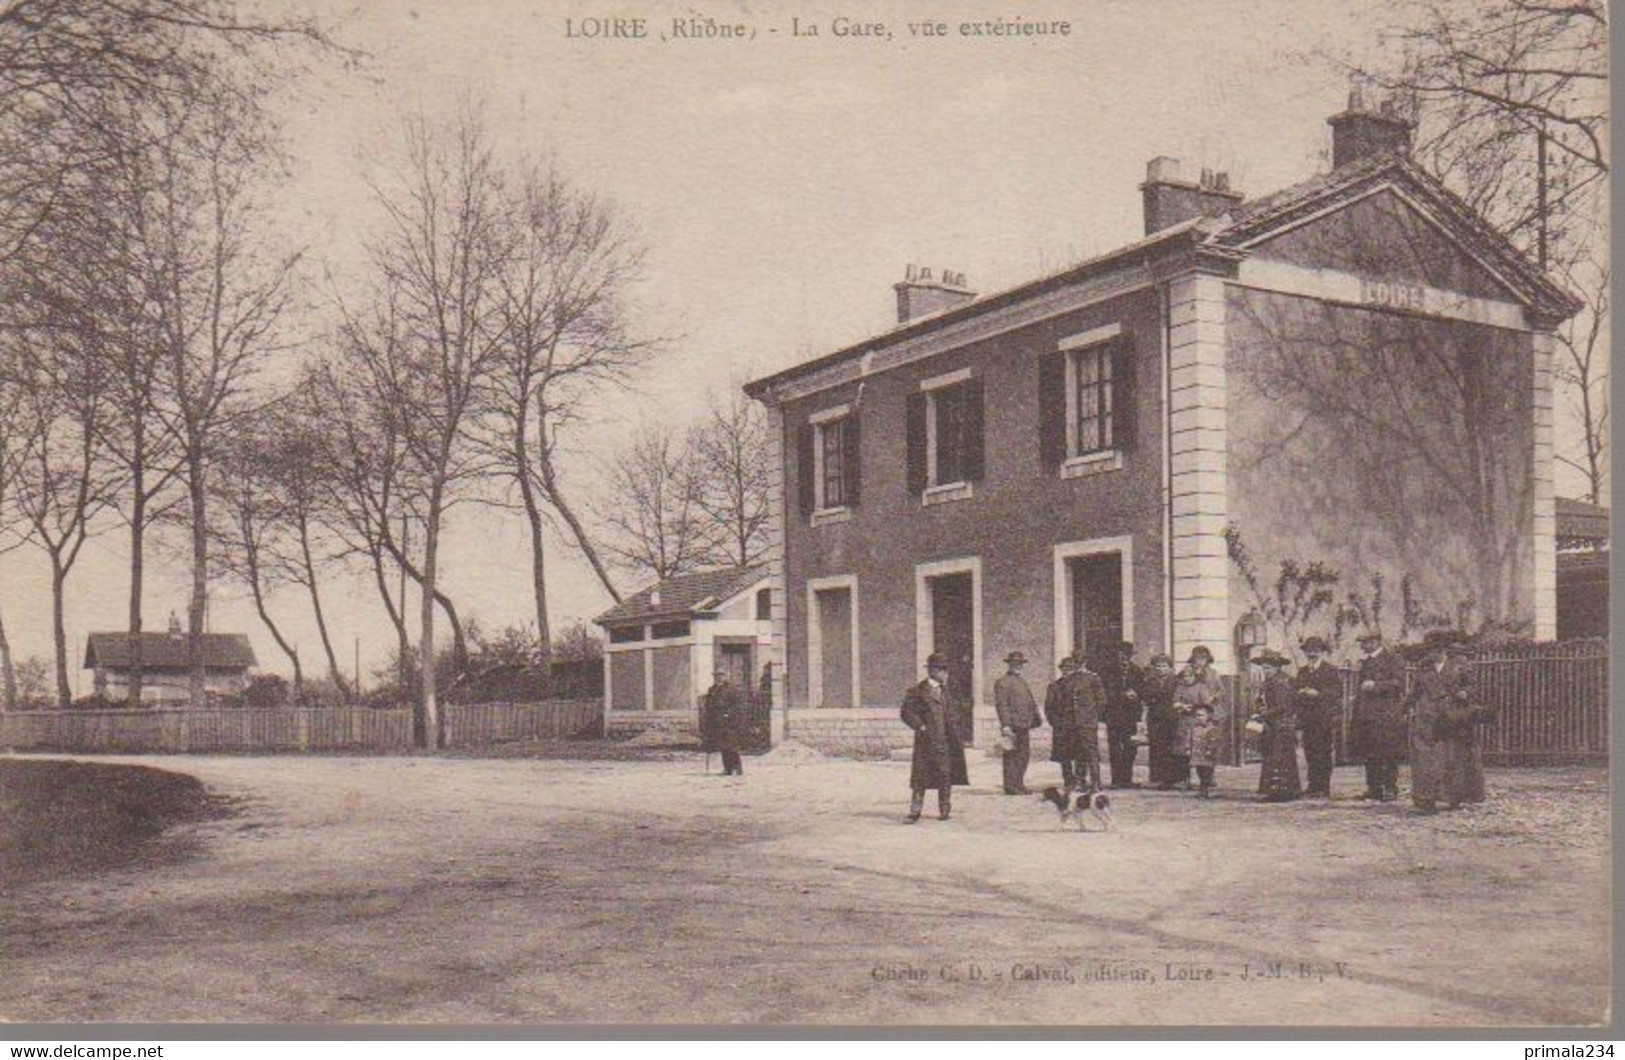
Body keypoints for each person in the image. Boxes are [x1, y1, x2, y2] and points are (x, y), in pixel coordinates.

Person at [899, 653, 969, 822]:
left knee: (945, 775)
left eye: (946, 670)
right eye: (943, 670)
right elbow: (906, 712)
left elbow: (954, 714)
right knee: (920, 778)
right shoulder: (917, 691)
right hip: (926, 743)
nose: (946, 674)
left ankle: (944, 810)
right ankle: (915, 811)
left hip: (945, 742)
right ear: (933, 670)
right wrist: (920, 726)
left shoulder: (947, 692)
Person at [1351, 630, 1406, 802]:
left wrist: (1376, 685)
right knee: (1370, 752)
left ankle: (1390, 788)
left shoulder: (1392, 659)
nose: (1362, 646)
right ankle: (1374, 788)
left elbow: (1399, 683)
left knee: (1388, 752)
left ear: (1375, 642)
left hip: (1386, 714)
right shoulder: (1366, 662)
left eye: (1365, 642)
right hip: (1367, 715)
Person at [1406, 634, 1459, 813]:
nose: (1435, 654)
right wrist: (1404, 709)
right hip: (1426, 718)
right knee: (1424, 760)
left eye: (1439, 651)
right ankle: (1424, 799)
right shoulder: (1423, 670)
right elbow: (1414, 693)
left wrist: (1464, 694)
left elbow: (1470, 687)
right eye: (1432, 651)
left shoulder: (1458, 667)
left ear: (1445, 652)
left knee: (1448, 758)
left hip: (1449, 717)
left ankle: (1450, 797)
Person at [1294, 636, 1343, 797]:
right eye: (1309, 651)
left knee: (1323, 752)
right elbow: (1295, 691)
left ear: (1322, 652)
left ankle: (1323, 786)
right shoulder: (1302, 671)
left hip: (1323, 718)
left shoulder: (1330, 670)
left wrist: (1319, 694)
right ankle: (1313, 785)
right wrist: (1300, 692)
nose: (1312, 654)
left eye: (1315, 651)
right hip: (1308, 718)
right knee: (1310, 751)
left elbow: (1337, 693)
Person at [1251, 648, 1302, 802]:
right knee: (1273, 756)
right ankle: (1278, 790)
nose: (1266, 670)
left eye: (1269, 667)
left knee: (1279, 757)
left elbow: (1283, 706)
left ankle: (1282, 791)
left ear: (1277, 667)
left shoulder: (1282, 683)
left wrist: (1264, 714)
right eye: (1264, 667)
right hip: (1273, 724)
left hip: (1281, 725)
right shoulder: (1269, 682)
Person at [1172, 645, 1224, 789]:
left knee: (1206, 745)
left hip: (1208, 710)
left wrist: (1213, 699)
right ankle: (1185, 778)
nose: (1200, 661)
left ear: (1208, 660)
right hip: (1190, 712)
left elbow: (1221, 690)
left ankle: (1208, 777)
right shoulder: (1187, 673)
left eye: (1203, 658)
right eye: (1197, 658)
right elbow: (1179, 689)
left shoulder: (1213, 673)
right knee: (1186, 746)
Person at [993, 650, 1042, 795]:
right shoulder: (1002, 682)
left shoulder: (1021, 681)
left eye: (1020, 663)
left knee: (1023, 756)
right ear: (1009, 664)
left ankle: (1019, 784)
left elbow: (1029, 702)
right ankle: (1011, 786)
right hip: (1012, 726)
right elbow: (1001, 705)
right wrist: (1006, 726)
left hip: (1024, 725)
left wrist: (1035, 718)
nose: (1018, 666)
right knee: (1011, 757)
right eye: (1015, 663)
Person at [1100, 640, 1144, 788]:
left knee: (1130, 747)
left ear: (1131, 656)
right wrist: (1122, 695)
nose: (1124, 658)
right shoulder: (1108, 671)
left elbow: (1143, 690)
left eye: (1127, 655)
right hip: (1113, 715)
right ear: (1117, 655)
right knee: (1114, 747)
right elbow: (1104, 693)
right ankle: (1116, 779)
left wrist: (1137, 694)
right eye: (1121, 655)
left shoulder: (1137, 671)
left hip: (1131, 716)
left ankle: (1127, 778)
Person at [1141, 653, 1180, 789]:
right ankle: (1156, 777)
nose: (1161, 669)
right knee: (1156, 747)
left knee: (1170, 748)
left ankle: (1170, 779)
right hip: (1155, 717)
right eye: (1158, 666)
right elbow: (1145, 696)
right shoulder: (1150, 681)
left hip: (1171, 717)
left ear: (1170, 667)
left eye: (1164, 666)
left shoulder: (1176, 681)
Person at [701, 665, 745, 776]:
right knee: (722, 746)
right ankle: (727, 769)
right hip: (717, 722)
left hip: (729, 722)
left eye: (721, 675)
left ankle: (738, 768)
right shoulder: (712, 689)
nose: (718, 677)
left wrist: (728, 714)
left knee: (731, 746)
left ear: (725, 676)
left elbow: (738, 705)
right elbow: (709, 705)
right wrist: (707, 718)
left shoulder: (731, 689)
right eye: (716, 675)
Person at [1190, 704, 1222, 798]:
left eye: (1202, 715)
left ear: (1208, 717)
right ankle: (1203, 789)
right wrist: (1189, 749)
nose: (1199, 718)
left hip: (1207, 755)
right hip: (1197, 754)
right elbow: (1191, 739)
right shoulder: (1195, 728)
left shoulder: (1212, 729)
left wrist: (1210, 750)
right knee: (1199, 771)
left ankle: (1204, 790)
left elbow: (1214, 741)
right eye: (1197, 715)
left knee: (1206, 773)